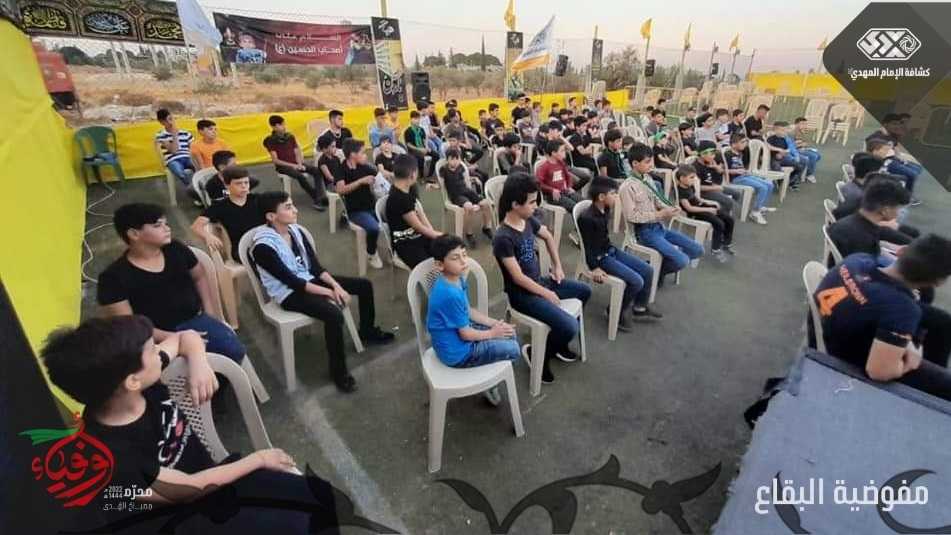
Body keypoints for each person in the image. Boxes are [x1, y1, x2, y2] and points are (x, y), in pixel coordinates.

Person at [40, 315, 342, 533]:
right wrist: (260, 459)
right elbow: (190, 489)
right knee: (298, 524)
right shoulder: (108, 458)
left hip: (217, 481)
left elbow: (185, 337)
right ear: (131, 381)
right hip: (187, 515)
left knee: (321, 496)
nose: (159, 351)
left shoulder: (138, 381)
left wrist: (198, 361)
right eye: (151, 350)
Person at [251, 192, 394, 392]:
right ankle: (338, 372)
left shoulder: (295, 231)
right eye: (288, 207)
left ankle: (367, 331)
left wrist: (335, 286)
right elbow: (293, 283)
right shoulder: (262, 247)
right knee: (333, 315)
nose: (295, 210)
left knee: (364, 285)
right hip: (288, 294)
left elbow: (315, 268)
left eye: (293, 205)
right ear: (271, 216)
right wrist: (329, 293)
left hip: (308, 279)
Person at [98, 203, 245, 365]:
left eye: (166, 223)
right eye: (157, 225)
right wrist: (177, 338)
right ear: (134, 234)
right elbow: (130, 325)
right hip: (151, 337)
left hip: (194, 320)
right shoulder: (113, 278)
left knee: (233, 351)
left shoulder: (175, 249)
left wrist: (210, 312)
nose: (167, 228)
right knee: (161, 371)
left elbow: (200, 276)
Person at [814, 234, 951, 401]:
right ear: (938, 283)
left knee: (941, 322)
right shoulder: (903, 309)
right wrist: (912, 361)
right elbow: (879, 372)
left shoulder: (858, 259)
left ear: (901, 251)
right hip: (846, 359)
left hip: (837, 324)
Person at [493, 174, 591, 384]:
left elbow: (547, 236)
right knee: (569, 327)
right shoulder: (503, 237)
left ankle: (557, 344)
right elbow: (518, 278)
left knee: (584, 291)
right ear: (515, 204)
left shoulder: (528, 219)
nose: (536, 206)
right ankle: (538, 353)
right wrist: (547, 293)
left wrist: (557, 266)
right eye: (531, 202)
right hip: (522, 295)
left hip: (539, 282)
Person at [426, 234, 520, 382]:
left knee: (509, 333)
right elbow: (466, 335)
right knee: (513, 348)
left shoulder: (457, 278)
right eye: (455, 258)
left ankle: (489, 369)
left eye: (464, 254)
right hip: (458, 354)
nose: (463, 261)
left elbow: (468, 311)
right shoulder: (449, 294)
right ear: (440, 265)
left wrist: (495, 324)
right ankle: (489, 382)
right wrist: (492, 333)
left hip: (462, 335)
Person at [577, 177, 661, 330]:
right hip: (600, 258)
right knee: (636, 281)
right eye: (613, 194)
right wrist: (594, 268)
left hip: (610, 250)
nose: (617, 196)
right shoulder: (587, 219)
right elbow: (588, 247)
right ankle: (614, 311)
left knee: (648, 270)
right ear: (601, 197)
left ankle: (639, 308)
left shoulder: (605, 208)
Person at [619, 145, 703, 285]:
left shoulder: (647, 179)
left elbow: (658, 200)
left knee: (697, 250)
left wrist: (669, 208)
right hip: (644, 232)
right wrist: (660, 214)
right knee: (682, 260)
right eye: (647, 162)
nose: (651, 164)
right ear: (635, 163)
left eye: (651, 161)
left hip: (659, 227)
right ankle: (648, 271)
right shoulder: (627, 187)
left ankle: (654, 270)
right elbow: (632, 216)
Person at [828, 176, 911, 267]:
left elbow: (882, 232)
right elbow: (868, 271)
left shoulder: (855, 221)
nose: (899, 212)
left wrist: (911, 244)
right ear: (885, 211)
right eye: (898, 208)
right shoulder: (863, 241)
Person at [190, 166, 262, 262]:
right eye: (238, 183)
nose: (244, 186)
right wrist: (208, 236)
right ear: (227, 185)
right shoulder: (220, 206)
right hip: (241, 249)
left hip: (264, 241)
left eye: (246, 182)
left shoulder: (258, 199)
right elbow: (196, 226)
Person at [386, 154, 441, 268]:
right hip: (405, 243)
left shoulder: (406, 191)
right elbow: (418, 226)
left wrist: (435, 235)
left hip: (417, 236)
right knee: (430, 269)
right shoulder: (399, 198)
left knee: (446, 251)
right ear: (413, 174)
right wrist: (437, 235)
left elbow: (421, 217)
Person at [263, 115, 327, 211]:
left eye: (283, 124)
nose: (284, 127)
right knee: (300, 176)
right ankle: (317, 198)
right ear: (273, 127)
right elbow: (276, 160)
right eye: (280, 125)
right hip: (283, 167)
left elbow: (297, 151)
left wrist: (300, 164)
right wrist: (294, 166)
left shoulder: (290, 137)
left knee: (317, 171)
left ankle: (321, 195)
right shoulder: (270, 141)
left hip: (296, 163)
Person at [338, 138, 383, 269]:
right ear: (353, 154)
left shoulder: (365, 166)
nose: (365, 155)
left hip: (372, 206)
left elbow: (380, 177)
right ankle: (371, 253)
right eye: (362, 153)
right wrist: (360, 181)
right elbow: (340, 190)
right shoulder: (341, 169)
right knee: (373, 228)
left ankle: (395, 252)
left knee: (395, 218)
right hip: (356, 211)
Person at [675, 164, 735, 262]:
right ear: (682, 178)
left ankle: (726, 243)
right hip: (695, 213)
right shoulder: (681, 191)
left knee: (729, 219)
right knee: (719, 223)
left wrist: (710, 203)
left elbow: (697, 199)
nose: (694, 179)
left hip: (701, 207)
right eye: (691, 177)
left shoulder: (689, 186)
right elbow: (689, 208)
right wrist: (708, 209)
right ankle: (715, 249)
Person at [440, 148, 494, 245]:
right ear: (447, 160)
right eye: (452, 159)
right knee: (469, 207)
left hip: (467, 191)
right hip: (456, 195)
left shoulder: (461, 167)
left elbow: (466, 179)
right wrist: (432, 185)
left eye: (457, 159)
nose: (455, 161)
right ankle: (469, 233)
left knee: (486, 203)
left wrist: (474, 178)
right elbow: (441, 184)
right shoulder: (444, 170)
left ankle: (486, 227)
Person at [723, 134, 775, 225]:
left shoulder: (740, 153)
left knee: (769, 184)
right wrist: (735, 171)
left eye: (745, 142)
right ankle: (755, 212)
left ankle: (760, 206)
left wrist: (745, 171)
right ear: (734, 144)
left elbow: (740, 166)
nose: (745, 144)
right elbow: (722, 170)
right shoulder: (727, 155)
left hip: (744, 176)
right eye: (742, 142)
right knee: (763, 187)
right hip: (736, 179)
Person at [867, 136, 922, 204]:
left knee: (916, 170)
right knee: (910, 175)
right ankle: (905, 195)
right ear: (875, 151)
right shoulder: (870, 162)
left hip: (889, 162)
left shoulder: (881, 157)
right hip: (879, 186)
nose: (886, 152)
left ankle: (905, 194)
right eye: (884, 150)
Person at [155, 109, 197, 198]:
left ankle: (197, 189)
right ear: (161, 122)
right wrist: (174, 135)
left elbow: (194, 149)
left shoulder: (186, 133)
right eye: (167, 120)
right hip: (173, 159)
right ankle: (195, 191)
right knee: (180, 173)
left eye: (171, 119)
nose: (171, 122)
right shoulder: (161, 135)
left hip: (187, 157)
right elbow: (174, 151)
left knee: (198, 168)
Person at [692, 140, 740, 217]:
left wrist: (715, 167)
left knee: (736, 193)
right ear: (702, 154)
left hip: (713, 186)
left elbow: (721, 171)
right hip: (704, 192)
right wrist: (715, 188)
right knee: (729, 202)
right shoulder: (696, 167)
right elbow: (698, 187)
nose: (713, 156)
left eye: (714, 153)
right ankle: (723, 216)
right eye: (711, 154)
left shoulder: (709, 162)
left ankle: (726, 212)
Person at [536, 139, 582, 213]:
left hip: (564, 191)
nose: (564, 153)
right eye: (562, 151)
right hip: (553, 196)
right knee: (574, 207)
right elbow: (538, 183)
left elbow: (568, 176)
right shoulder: (545, 167)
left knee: (583, 202)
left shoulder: (561, 163)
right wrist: (552, 190)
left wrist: (569, 186)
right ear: (554, 153)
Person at [766, 121, 806, 190]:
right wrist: (779, 150)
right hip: (774, 158)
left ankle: (790, 180)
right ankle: (780, 184)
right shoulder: (771, 138)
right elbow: (767, 146)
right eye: (782, 130)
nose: (784, 132)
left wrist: (784, 153)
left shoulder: (784, 139)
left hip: (783, 158)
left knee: (799, 166)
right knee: (777, 168)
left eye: (785, 130)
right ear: (776, 130)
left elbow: (788, 149)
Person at [403, 110, 433, 179]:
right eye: (415, 119)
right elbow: (408, 144)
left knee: (436, 155)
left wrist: (426, 147)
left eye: (418, 119)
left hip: (423, 148)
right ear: (411, 119)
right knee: (420, 158)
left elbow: (425, 139)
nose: (417, 121)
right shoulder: (408, 131)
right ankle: (421, 176)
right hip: (413, 151)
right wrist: (419, 149)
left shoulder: (421, 129)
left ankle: (430, 173)